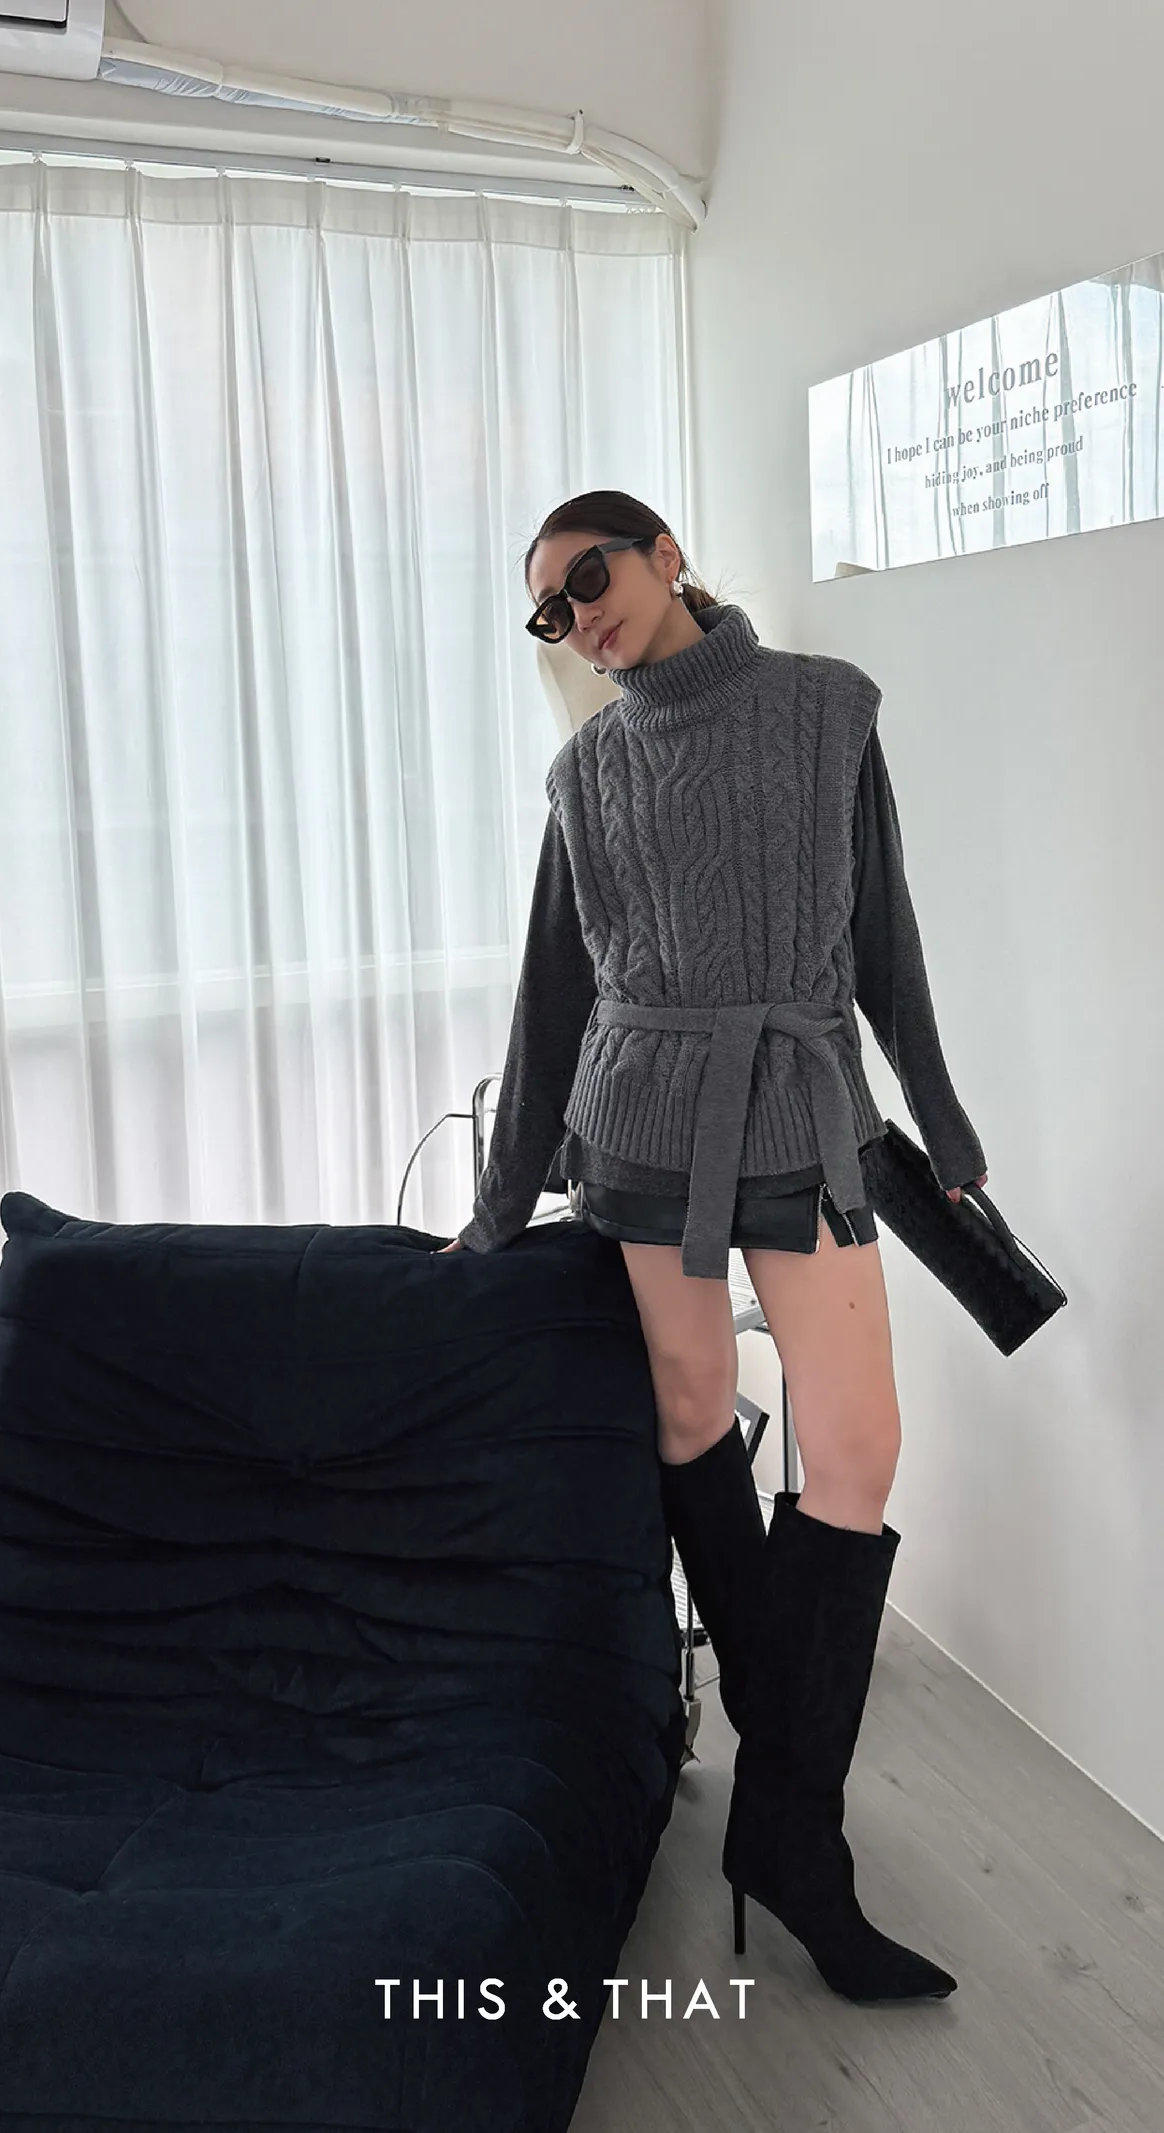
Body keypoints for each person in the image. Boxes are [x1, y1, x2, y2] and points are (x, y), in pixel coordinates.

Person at [437, 491, 988, 2009]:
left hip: (799, 1104)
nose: (579, 619)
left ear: (665, 553)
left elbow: (884, 941)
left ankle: (783, 1812)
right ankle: (795, 1811)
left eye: (591, 578)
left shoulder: (823, 710)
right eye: (550, 610)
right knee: (692, 1418)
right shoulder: (586, 768)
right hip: (637, 1121)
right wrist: (502, 1199)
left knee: (858, 1451)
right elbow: (553, 994)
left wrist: (942, 1125)